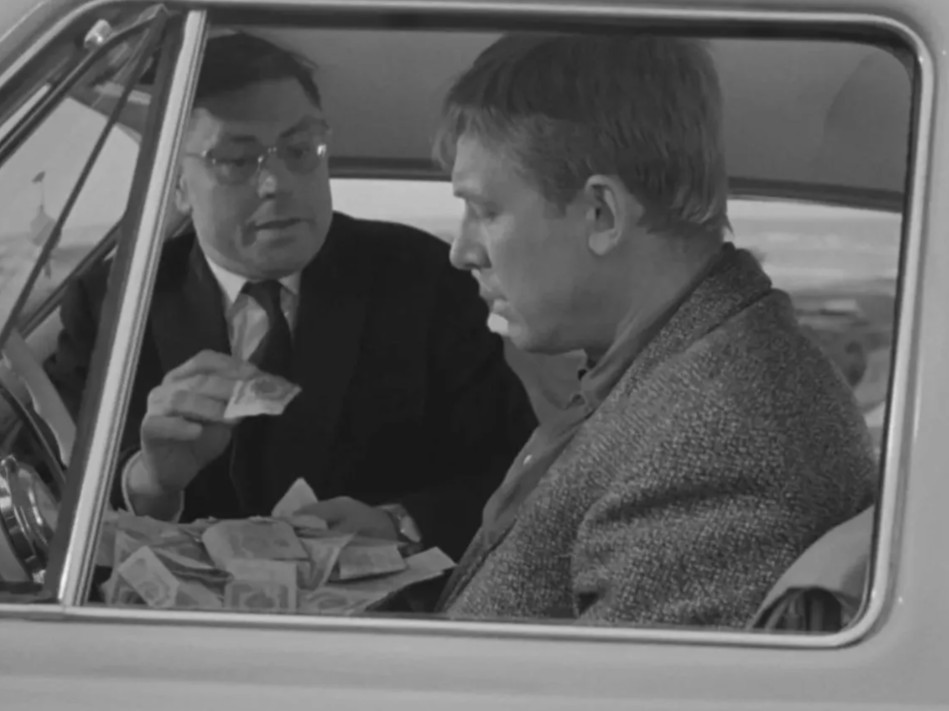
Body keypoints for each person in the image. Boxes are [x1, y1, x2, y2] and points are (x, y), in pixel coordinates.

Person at [433, 33, 876, 625]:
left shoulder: (714, 442)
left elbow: (630, 677)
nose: (462, 252)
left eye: (485, 211)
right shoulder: (676, 375)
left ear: (602, 214)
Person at [46, 32, 536, 562]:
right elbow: (52, 492)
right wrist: (150, 482)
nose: (276, 183)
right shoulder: (116, 304)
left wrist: (397, 524)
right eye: (237, 160)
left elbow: (514, 473)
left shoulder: (423, 278)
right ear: (177, 184)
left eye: (300, 151)